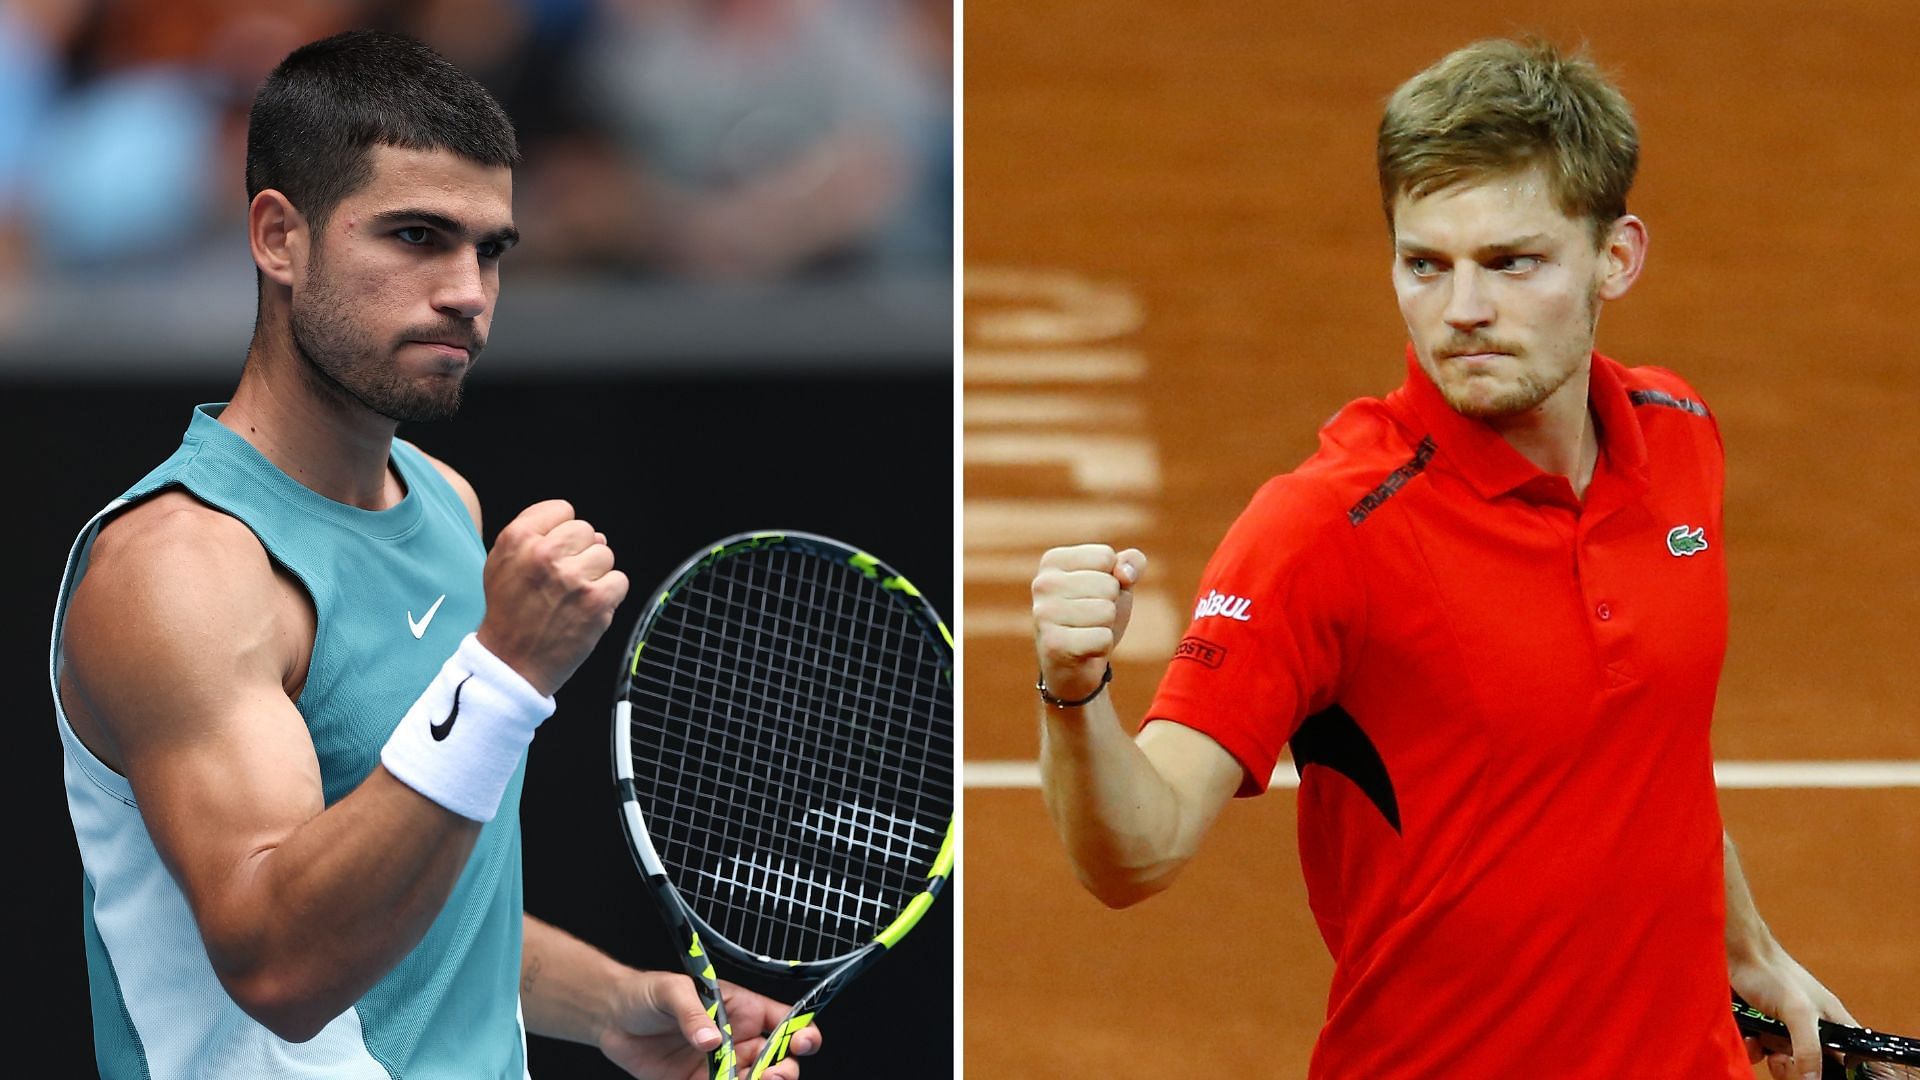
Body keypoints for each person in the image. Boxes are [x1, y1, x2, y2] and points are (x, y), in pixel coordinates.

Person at [1032, 38, 1847, 1080]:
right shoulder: (1327, 529)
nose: (1461, 310)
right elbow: (1135, 854)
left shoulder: (1679, 432)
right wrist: (1073, 690)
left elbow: (1652, 752)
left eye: (1512, 263)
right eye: (1426, 264)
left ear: (1617, 257)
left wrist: (1749, 950)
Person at [50, 30, 819, 1079]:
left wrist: (613, 1004)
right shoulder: (179, 569)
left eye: (489, 248)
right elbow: (283, 966)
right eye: (416, 236)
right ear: (279, 237)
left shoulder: (446, 503)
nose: (466, 289)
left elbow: (422, 909)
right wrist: (502, 673)